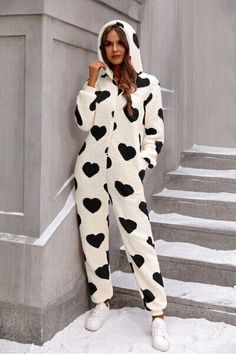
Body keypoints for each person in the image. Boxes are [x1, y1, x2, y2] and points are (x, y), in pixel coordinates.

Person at [73, 19, 170, 352]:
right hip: (90, 171)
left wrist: (139, 167)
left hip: (127, 174)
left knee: (139, 240)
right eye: (108, 44)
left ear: (129, 45)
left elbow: (155, 136)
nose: (114, 49)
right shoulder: (97, 81)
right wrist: (88, 82)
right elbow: (82, 122)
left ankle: (157, 314)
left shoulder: (148, 84)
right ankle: (102, 300)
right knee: (93, 236)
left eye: (119, 43)